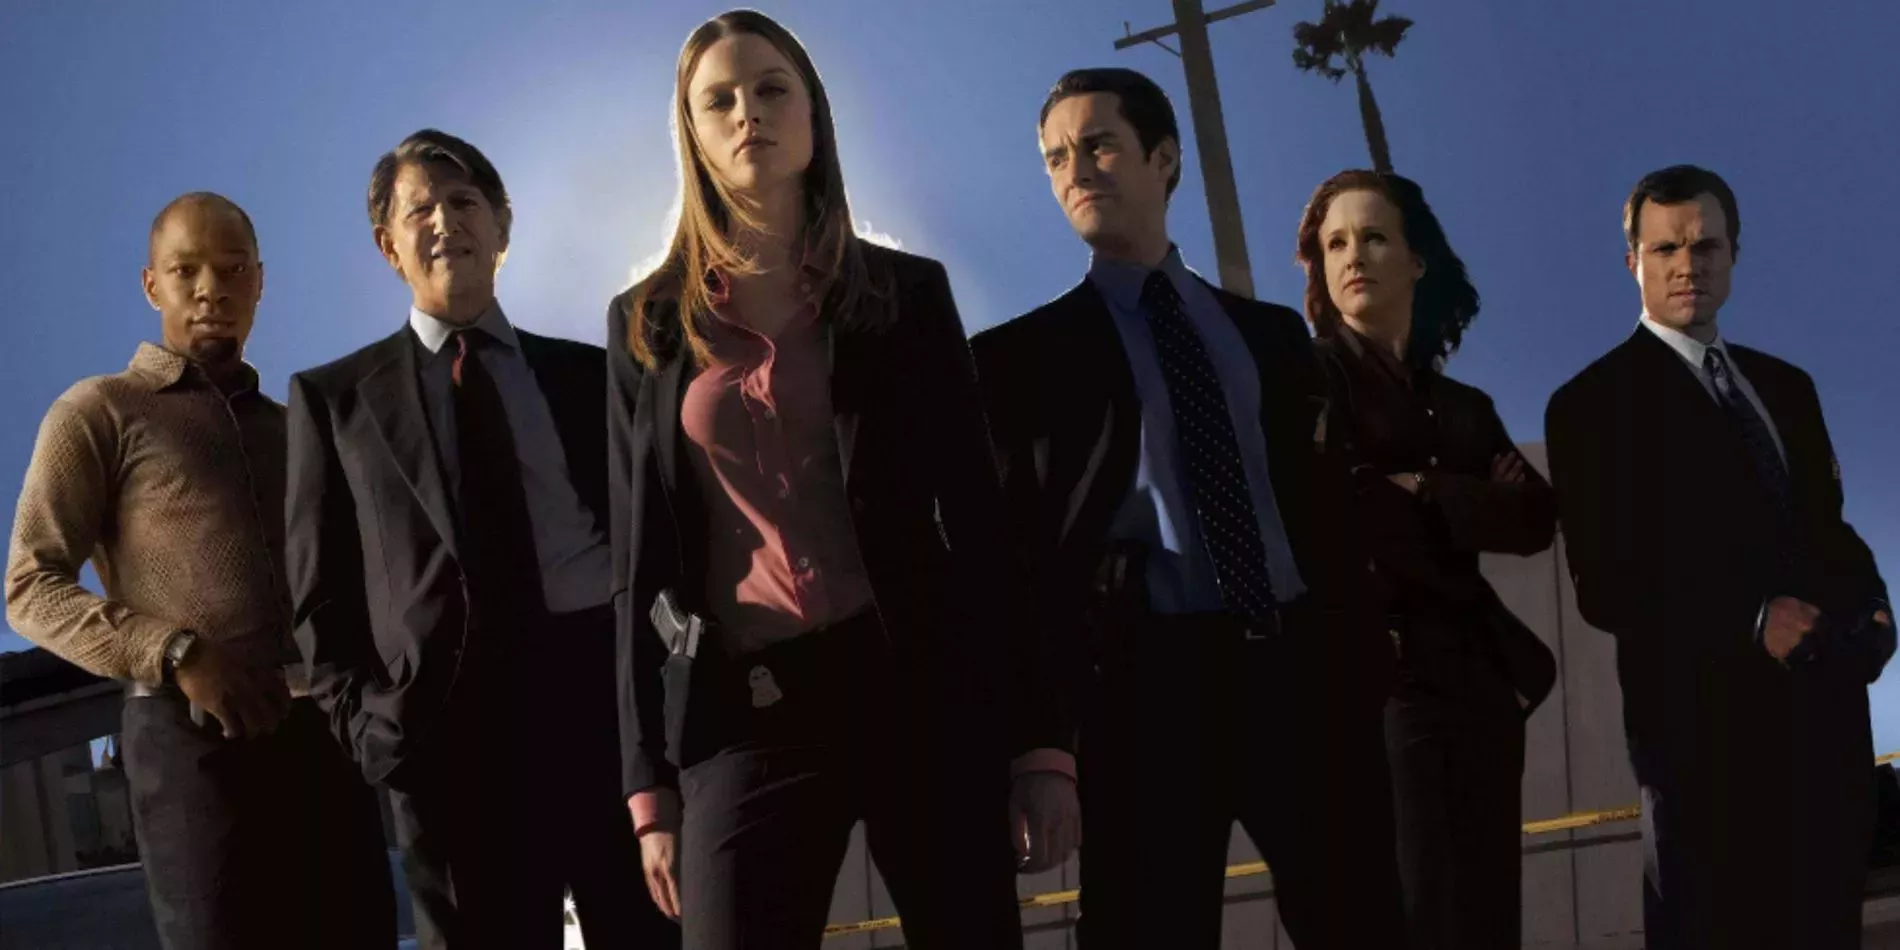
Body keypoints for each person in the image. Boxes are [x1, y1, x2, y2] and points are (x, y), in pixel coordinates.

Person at [608, 11, 1079, 949]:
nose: (748, 113)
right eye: (719, 100)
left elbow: (983, 524)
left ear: (814, 114)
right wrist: (646, 782)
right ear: (691, 133)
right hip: (746, 708)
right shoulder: (646, 322)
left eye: (771, 89)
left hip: (916, 683)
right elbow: (639, 564)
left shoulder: (907, 296)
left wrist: (1040, 739)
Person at [968, 68, 1405, 949]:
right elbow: (1014, 567)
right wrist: (1040, 741)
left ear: (1164, 158)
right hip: (1145, 687)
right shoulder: (1016, 360)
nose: (1075, 171)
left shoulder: (1272, 337)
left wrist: (1358, 656)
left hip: (1303, 677)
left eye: (1098, 145)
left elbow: (1324, 508)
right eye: (1055, 157)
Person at [284, 130, 677, 950]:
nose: (444, 222)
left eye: (464, 202)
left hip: (602, 714)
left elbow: (655, 540)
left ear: (502, 225)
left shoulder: (590, 375)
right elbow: (320, 594)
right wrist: (371, 730)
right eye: (419, 209)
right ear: (387, 245)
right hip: (448, 746)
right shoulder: (335, 402)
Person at [6, 192, 394, 950]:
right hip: (189, 744)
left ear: (260, 283)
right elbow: (30, 588)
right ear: (152, 285)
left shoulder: (297, 428)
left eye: (232, 268)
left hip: (327, 744)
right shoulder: (98, 411)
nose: (211, 289)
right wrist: (178, 653)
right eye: (186, 271)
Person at [1545, 164, 1893, 949]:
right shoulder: (1591, 404)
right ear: (1632, 261)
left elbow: (1830, 532)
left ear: (1734, 254)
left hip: (1826, 734)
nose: (1687, 265)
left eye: (1705, 246)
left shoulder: (1787, 387)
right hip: (1703, 750)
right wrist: (1751, 620)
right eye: (1665, 248)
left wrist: (1875, 608)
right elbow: (1607, 583)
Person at [1297, 169, 1558, 949]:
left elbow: (1536, 517)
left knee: (1488, 915)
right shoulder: (1307, 376)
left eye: (1374, 237)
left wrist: (1425, 487)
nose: (1353, 256)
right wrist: (1468, 500)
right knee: (1420, 910)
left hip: (1481, 681)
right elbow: (1339, 508)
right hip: (1384, 674)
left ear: (1416, 261)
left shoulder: (1468, 407)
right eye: (1335, 243)